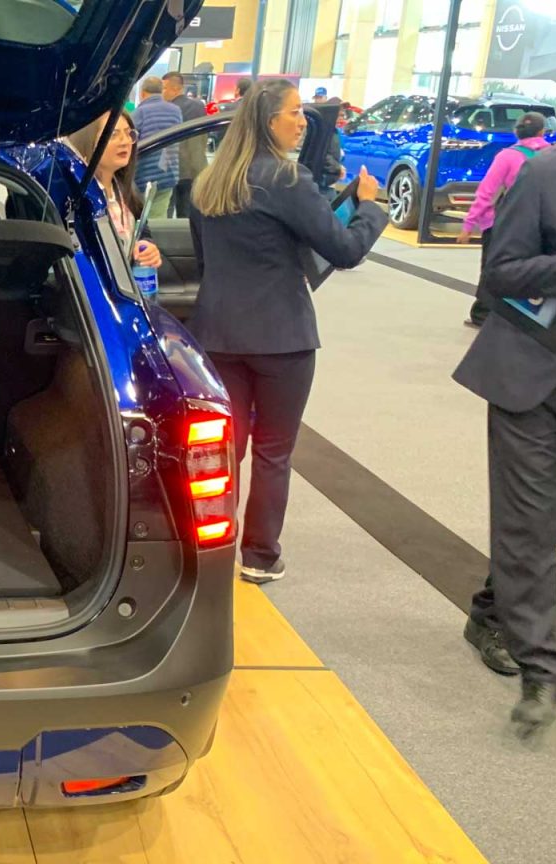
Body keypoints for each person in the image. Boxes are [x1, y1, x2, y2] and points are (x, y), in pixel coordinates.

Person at [452, 79, 556, 738]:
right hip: (538, 377)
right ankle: (541, 669)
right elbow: (500, 273)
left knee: (549, 523)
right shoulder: (549, 175)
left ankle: (490, 613)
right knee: (529, 528)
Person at [188, 78, 387, 584]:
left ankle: (208, 555)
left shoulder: (208, 183)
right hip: (282, 339)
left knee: (221, 452)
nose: (303, 122)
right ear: (268, 120)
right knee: (273, 452)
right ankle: (260, 556)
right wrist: (369, 208)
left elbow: (205, 261)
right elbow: (344, 250)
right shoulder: (287, 179)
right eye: (295, 112)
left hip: (217, 334)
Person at [462, 113, 553, 327]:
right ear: (542, 132)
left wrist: (469, 223)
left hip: (504, 224)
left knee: (492, 267)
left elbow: (487, 192)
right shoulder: (553, 155)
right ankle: (519, 316)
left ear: (516, 132)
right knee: (527, 270)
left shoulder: (507, 156)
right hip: (539, 225)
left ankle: (483, 314)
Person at [66, 111, 163, 272]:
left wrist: (146, 246)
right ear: (87, 142)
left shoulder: (125, 188)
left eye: (129, 134)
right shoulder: (76, 199)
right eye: (113, 135)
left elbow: (141, 232)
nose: (125, 142)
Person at [132, 77, 183, 219]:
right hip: (169, 173)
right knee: (158, 218)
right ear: (161, 91)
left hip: (144, 175)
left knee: (140, 219)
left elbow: (132, 142)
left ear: (142, 93)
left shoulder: (140, 112)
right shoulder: (176, 110)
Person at [164, 72, 207, 217]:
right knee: (187, 214)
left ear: (175, 88)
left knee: (167, 210)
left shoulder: (169, 109)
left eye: (164, 88)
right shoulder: (199, 106)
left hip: (174, 167)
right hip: (196, 166)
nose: (162, 93)